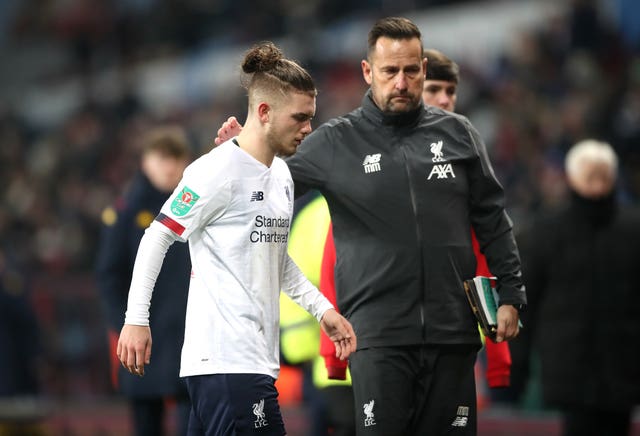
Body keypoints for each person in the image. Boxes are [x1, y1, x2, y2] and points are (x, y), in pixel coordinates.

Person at [215, 18, 526, 435]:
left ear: (422, 70)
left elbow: (493, 219)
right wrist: (236, 157)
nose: (401, 82)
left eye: (411, 71)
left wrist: (511, 295)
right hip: (377, 338)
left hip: (453, 334)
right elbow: (269, 184)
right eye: (389, 72)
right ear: (368, 72)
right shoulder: (334, 142)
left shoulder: (459, 135)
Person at [116, 41, 356, 436]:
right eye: (299, 117)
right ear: (264, 112)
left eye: (310, 117)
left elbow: (274, 256)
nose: (308, 128)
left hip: (249, 364)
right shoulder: (214, 172)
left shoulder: (280, 175)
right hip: (227, 362)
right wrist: (136, 320)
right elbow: (155, 238)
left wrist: (323, 310)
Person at [517, 139, 640, 436]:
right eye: (590, 173)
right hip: (570, 368)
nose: (596, 181)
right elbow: (526, 302)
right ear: (571, 177)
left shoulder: (634, 229)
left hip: (622, 366)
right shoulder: (545, 233)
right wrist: (516, 366)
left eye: (602, 173)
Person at [95, 126, 192, 436]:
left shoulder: (194, 208)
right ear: (145, 162)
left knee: (194, 421)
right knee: (146, 421)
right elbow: (109, 275)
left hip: (188, 336)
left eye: (176, 158)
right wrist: (122, 324)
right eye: (161, 158)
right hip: (142, 335)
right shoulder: (124, 214)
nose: (169, 166)